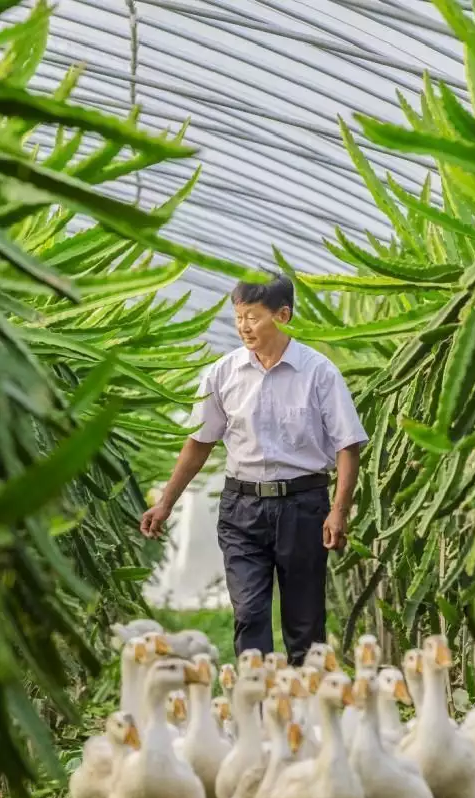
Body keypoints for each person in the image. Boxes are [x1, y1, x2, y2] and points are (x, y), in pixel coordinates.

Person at [140, 274, 368, 666]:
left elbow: (348, 446)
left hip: (303, 506)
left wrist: (339, 510)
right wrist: (165, 503)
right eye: (239, 316)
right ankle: (255, 710)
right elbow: (199, 443)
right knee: (249, 613)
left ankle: (306, 710)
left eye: (254, 316)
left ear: (283, 315)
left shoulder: (319, 373)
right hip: (242, 509)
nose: (244, 326)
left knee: (305, 623)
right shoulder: (223, 374)